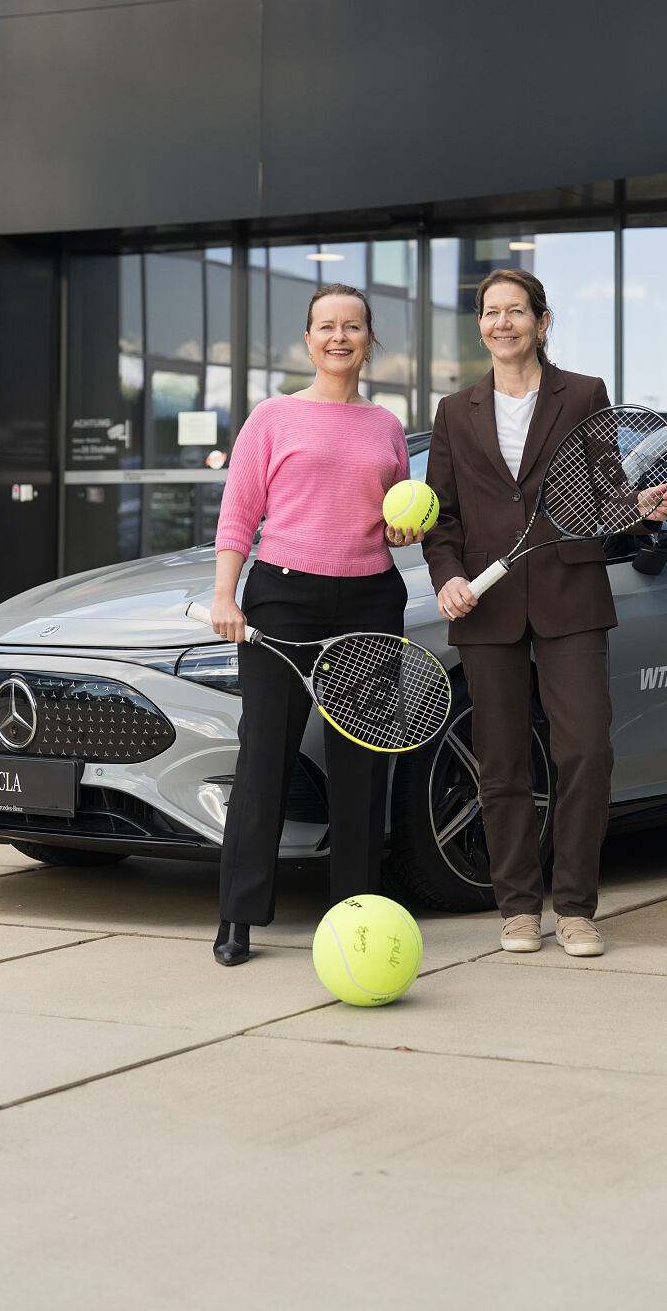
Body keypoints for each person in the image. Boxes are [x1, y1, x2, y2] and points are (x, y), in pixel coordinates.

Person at [423, 269, 667, 959]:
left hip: (571, 595)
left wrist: (641, 511)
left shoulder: (583, 395)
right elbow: (439, 519)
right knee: (500, 763)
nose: (502, 323)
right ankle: (516, 908)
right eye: (490, 312)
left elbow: (604, 497)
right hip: (488, 603)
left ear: (542, 320)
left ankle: (573, 907)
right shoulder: (454, 412)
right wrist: (447, 577)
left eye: (515, 311)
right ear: (479, 324)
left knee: (585, 752)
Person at [208, 283, 423, 967]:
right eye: (326, 327)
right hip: (281, 600)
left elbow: (394, 522)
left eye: (352, 327)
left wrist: (399, 529)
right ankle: (239, 916)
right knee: (263, 756)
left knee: (360, 767)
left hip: (369, 601)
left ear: (369, 340)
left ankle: (356, 917)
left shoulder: (388, 426)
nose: (339, 337)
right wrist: (226, 594)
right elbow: (240, 513)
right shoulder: (272, 417)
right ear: (308, 340)